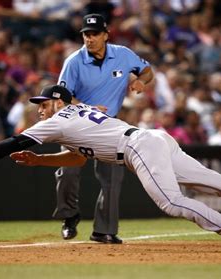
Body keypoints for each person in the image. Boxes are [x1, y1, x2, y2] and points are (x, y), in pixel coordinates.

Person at [0, 84, 221, 252]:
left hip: (136, 148)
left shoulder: (59, 119)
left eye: (44, 103)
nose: (40, 110)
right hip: (152, 139)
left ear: (60, 102)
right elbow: (78, 158)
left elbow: (13, 142)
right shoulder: (77, 115)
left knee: (171, 202)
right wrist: (41, 161)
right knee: (210, 179)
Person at [54, 13, 153, 243]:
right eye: (86, 35)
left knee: (112, 178)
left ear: (106, 35)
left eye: (94, 34)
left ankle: (104, 230)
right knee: (68, 171)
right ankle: (69, 217)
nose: (89, 39)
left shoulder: (123, 55)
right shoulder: (74, 61)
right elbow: (61, 97)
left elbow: (147, 70)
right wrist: (87, 108)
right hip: (76, 123)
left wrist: (141, 81)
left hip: (109, 125)